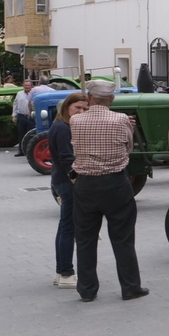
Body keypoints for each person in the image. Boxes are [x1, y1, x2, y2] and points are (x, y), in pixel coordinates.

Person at [69, 80, 147, 302]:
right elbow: (128, 148)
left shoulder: (76, 120)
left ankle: (87, 289)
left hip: (85, 184)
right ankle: (130, 286)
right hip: (116, 184)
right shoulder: (121, 119)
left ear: (89, 97)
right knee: (123, 238)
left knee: (85, 239)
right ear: (111, 99)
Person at [49, 92, 86, 289]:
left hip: (61, 180)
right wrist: (77, 180)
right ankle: (65, 273)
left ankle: (61, 271)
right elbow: (65, 158)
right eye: (77, 108)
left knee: (65, 226)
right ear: (67, 108)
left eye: (84, 109)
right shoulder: (63, 128)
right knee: (68, 227)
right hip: (66, 182)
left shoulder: (62, 125)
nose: (80, 112)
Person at [11, 78, 34, 157]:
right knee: (21, 134)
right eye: (26, 85)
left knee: (31, 134)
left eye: (29, 85)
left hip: (31, 116)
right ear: (23, 86)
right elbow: (15, 104)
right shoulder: (19, 93)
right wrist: (14, 115)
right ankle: (21, 151)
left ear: (31, 86)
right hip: (21, 116)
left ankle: (30, 151)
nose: (27, 87)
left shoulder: (34, 93)